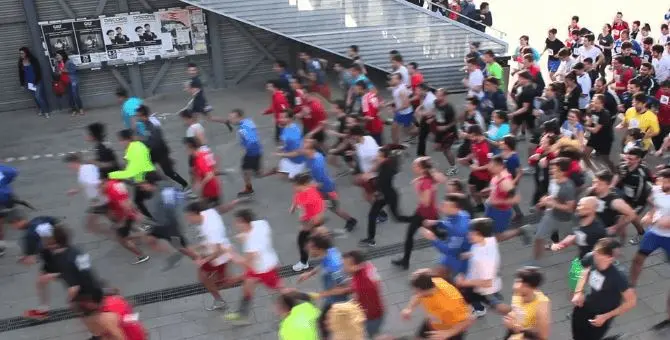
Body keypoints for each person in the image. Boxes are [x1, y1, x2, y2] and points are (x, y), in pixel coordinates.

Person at [224, 209, 282, 324]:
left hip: (265, 269)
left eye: (237, 222)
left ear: (244, 222)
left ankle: (291, 308)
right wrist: (244, 235)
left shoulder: (252, 244)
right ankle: (242, 315)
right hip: (261, 264)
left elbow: (247, 262)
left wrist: (231, 254)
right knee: (247, 286)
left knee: (279, 290)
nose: (235, 224)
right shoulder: (261, 224)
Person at [571, 238, 637, 340]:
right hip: (584, 307)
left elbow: (631, 301)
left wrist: (606, 316)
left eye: (599, 253)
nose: (594, 254)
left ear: (609, 258)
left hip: (601, 314)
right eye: (595, 251)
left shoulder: (619, 276)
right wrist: (578, 292)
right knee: (577, 337)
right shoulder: (591, 257)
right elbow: (584, 270)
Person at [139, 171, 198, 271]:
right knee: (148, 239)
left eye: (143, 184)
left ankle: (200, 260)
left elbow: (175, 203)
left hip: (170, 226)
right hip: (160, 225)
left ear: (151, 183)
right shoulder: (161, 188)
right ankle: (174, 255)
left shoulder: (162, 194)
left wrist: (147, 221)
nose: (142, 187)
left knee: (183, 247)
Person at [7, 212, 62, 319]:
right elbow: (57, 222)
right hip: (61, 251)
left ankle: (43, 310)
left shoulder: (28, 236)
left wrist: (23, 260)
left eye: (13, 226)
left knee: (64, 277)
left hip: (52, 259)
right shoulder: (40, 219)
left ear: (15, 222)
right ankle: (43, 310)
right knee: (41, 282)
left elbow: (31, 260)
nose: (14, 228)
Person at [392, 157, 442, 270]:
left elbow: (425, 202)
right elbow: (438, 179)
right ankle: (405, 261)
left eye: (415, 166)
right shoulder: (427, 177)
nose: (413, 167)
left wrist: (417, 188)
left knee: (438, 234)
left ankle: (455, 245)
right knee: (410, 235)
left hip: (428, 215)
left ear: (421, 168)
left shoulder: (425, 182)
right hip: (422, 213)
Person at [551, 197, 608, 294]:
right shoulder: (578, 217)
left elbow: (605, 249)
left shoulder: (598, 230)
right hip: (582, 258)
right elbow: (577, 236)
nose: (578, 208)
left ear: (592, 210)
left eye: (583, 207)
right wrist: (562, 244)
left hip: (594, 263)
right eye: (579, 205)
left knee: (596, 290)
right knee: (574, 282)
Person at [297, 233, 349, 338]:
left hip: (337, 302)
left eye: (310, 247)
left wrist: (321, 294)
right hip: (330, 299)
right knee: (323, 323)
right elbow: (323, 263)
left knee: (324, 323)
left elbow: (344, 288)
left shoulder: (334, 266)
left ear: (317, 249)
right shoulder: (329, 251)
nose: (307, 248)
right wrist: (309, 273)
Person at [526, 157, 577, 264]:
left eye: (554, 169)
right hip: (551, 215)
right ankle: (534, 262)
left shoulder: (568, 187)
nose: (550, 171)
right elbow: (552, 195)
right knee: (538, 238)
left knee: (575, 240)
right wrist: (545, 200)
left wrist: (553, 204)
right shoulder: (553, 180)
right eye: (551, 168)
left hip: (564, 220)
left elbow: (570, 208)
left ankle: (593, 247)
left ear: (563, 172)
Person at [184, 201, 232, 311]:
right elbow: (210, 242)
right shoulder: (208, 213)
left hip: (220, 257)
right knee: (210, 279)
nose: (188, 220)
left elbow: (217, 251)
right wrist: (198, 247)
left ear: (196, 214)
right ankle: (219, 296)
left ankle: (250, 277)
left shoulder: (211, 229)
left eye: (189, 217)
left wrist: (202, 260)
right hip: (217, 251)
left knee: (207, 278)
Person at [303, 138, 358, 232]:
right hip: (324, 188)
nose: (303, 150)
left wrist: (306, 186)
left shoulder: (317, 164)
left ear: (312, 150)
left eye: (305, 148)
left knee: (334, 209)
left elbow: (319, 184)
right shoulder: (315, 156)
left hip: (327, 190)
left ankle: (351, 220)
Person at [401, 270, 474, 340]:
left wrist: (448, 333)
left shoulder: (451, 301)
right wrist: (409, 308)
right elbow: (417, 296)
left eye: (416, 290)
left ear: (423, 290)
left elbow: (469, 319)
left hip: (450, 331)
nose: (415, 292)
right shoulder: (432, 281)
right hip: (432, 321)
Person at [361, 146, 409, 247]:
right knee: (372, 215)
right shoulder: (387, 163)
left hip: (388, 195)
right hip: (386, 195)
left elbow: (381, 183)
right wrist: (401, 147)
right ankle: (371, 239)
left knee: (397, 217)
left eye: (379, 156)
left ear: (384, 157)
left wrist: (372, 184)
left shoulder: (386, 169)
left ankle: (418, 220)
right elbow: (389, 146)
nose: (376, 157)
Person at [135, 105, 189, 190]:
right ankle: (156, 185)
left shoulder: (153, 125)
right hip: (153, 152)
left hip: (160, 152)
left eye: (138, 116)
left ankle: (185, 185)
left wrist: (141, 142)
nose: (137, 118)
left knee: (169, 172)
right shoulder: (144, 124)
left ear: (143, 115)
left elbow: (155, 142)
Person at [100, 176, 150, 264]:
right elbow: (126, 198)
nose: (98, 188)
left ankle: (141, 255)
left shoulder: (112, 192)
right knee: (131, 228)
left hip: (124, 216)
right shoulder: (115, 183)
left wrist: (122, 222)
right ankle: (147, 232)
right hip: (128, 213)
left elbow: (125, 206)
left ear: (103, 181)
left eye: (99, 185)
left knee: (122, 240)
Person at [420, 194, 471, 279]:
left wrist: (433, 238)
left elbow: (449, 251)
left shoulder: (459, 230)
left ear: (456, 208)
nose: (441, 207)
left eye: (446, 206)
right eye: (443, 204)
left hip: (459, 257)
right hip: (456, 250)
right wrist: (437, 222)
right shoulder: (462, 214)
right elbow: (449, 223)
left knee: (439, 275)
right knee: (438, 274)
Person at [108, 129, 156, 221]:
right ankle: (153, 220)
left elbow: (130, 173)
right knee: (141, 200)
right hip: (147, 175)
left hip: (145, 178)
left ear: (127, 139)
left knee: (143, 201)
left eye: (121, 140)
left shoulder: (132, 149)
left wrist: (110, 175)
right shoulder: (138, 145)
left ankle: (154, 220)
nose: (120, 143)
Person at [612, 147, 652, 244]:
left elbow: (645, 188)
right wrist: (612, 187)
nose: (628, 161)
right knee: (628, 220)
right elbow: (616, 177)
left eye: (631, 159)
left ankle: (641, 234)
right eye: (627, 158)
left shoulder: (642, 172)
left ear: (638, 159)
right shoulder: (622, 166)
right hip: (624, 198)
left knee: (625, 222)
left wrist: (632, 207)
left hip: (638, 202)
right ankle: (621, 241)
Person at [63, 153, 109, 234]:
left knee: (89, 225)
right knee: (114, 219)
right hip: (100, 201)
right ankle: (121, 233)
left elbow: (96, 183)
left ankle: (116, 235)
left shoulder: (84, 171)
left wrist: (97, 198)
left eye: (69, 164)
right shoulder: (86, 168)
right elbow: (88, 183)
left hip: (100, 201)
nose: (68, 166)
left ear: (74, 162)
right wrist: (76, 190)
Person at [586, 170, 637, 243]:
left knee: (621, 230)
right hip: (595, 225)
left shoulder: (615, 201)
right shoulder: (591, 191)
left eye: (599, 184)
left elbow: (632, 214)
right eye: (594, 182)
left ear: (608, 185)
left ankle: (622, 242)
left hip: (607, 228)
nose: (595, 186)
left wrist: (616, 227)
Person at [290, 173, 326, 272]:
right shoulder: (302, 191)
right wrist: (293, 206)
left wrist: (308, 227)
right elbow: (297, 197)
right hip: (307, 220)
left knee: (304, 241)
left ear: (304, 185)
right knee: (310, 241)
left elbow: (317, 216)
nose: (294, 187)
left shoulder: (311, 197)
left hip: (313, 222)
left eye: (296, 185)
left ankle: (304, 262)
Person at [504, 267, 551, 340]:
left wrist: (518, 328)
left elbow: (543, 336)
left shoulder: (541, 306)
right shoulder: (518, 293)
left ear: (532, 288)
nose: (516, 286)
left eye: (522, 284)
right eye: (516, 281)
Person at [77, 292, 147, 340]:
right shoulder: (117, 300)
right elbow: (131, 316)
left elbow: (119, 337)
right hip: (136, 332)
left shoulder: (105, 318)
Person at [227, 109, 262, 197]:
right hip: (257, 151)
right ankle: (273, 171)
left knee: (245, 170)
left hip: (252, 153)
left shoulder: (243, 128)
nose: (230, 120)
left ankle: (249, 189)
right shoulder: (248, 121)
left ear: (239, 117)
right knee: (255, 172)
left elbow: (252, 140)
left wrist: (247, 147)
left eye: (232, 118)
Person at [183, 137, 221, 206]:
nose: (185, 150)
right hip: (214, 188)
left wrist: (200, 185)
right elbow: (214, 167)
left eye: (186, 148)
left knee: (205, 212)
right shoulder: (205, 153)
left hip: (209, 191)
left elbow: (209, 175)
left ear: (191, 147)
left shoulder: (199, 160)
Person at [584, 94, 615, 171]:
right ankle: (592, 169)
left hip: (605, 139)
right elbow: (589, 122)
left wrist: (584, 127)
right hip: (594, 137)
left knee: (605, 159)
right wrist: (587, 112)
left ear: (602, 104)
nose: (594, 104)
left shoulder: (605, 114)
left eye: (596, 103)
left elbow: (595, 130)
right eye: (593, 102)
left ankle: (615, 171)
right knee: (584, 154)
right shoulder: (593, 110)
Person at [18, 47, 50, 117]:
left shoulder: (33, 60)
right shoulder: (20, 62)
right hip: (29, 83)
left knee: (38, 96)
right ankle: (41, 109)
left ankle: (46, 111)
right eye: (20, 53)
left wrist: (37, 80)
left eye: (22, 53)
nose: (21, 55)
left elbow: (38, 71)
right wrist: (22, 84)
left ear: (26, 53)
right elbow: (21, 74)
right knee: (35, 98)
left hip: (37, 81)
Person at [55, 50, 83, 116]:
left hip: (72, 80)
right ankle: (74, 110)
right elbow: (57, 72)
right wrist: (58, 73)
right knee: (70, 97)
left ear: (62, 55)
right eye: (56, 55)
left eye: (58, 55)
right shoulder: (57, 63)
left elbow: (74, 70)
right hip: (64, 81)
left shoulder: (69, 62)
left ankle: (81, 109)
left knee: (75, 95)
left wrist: (63, 71)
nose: (57, 57)